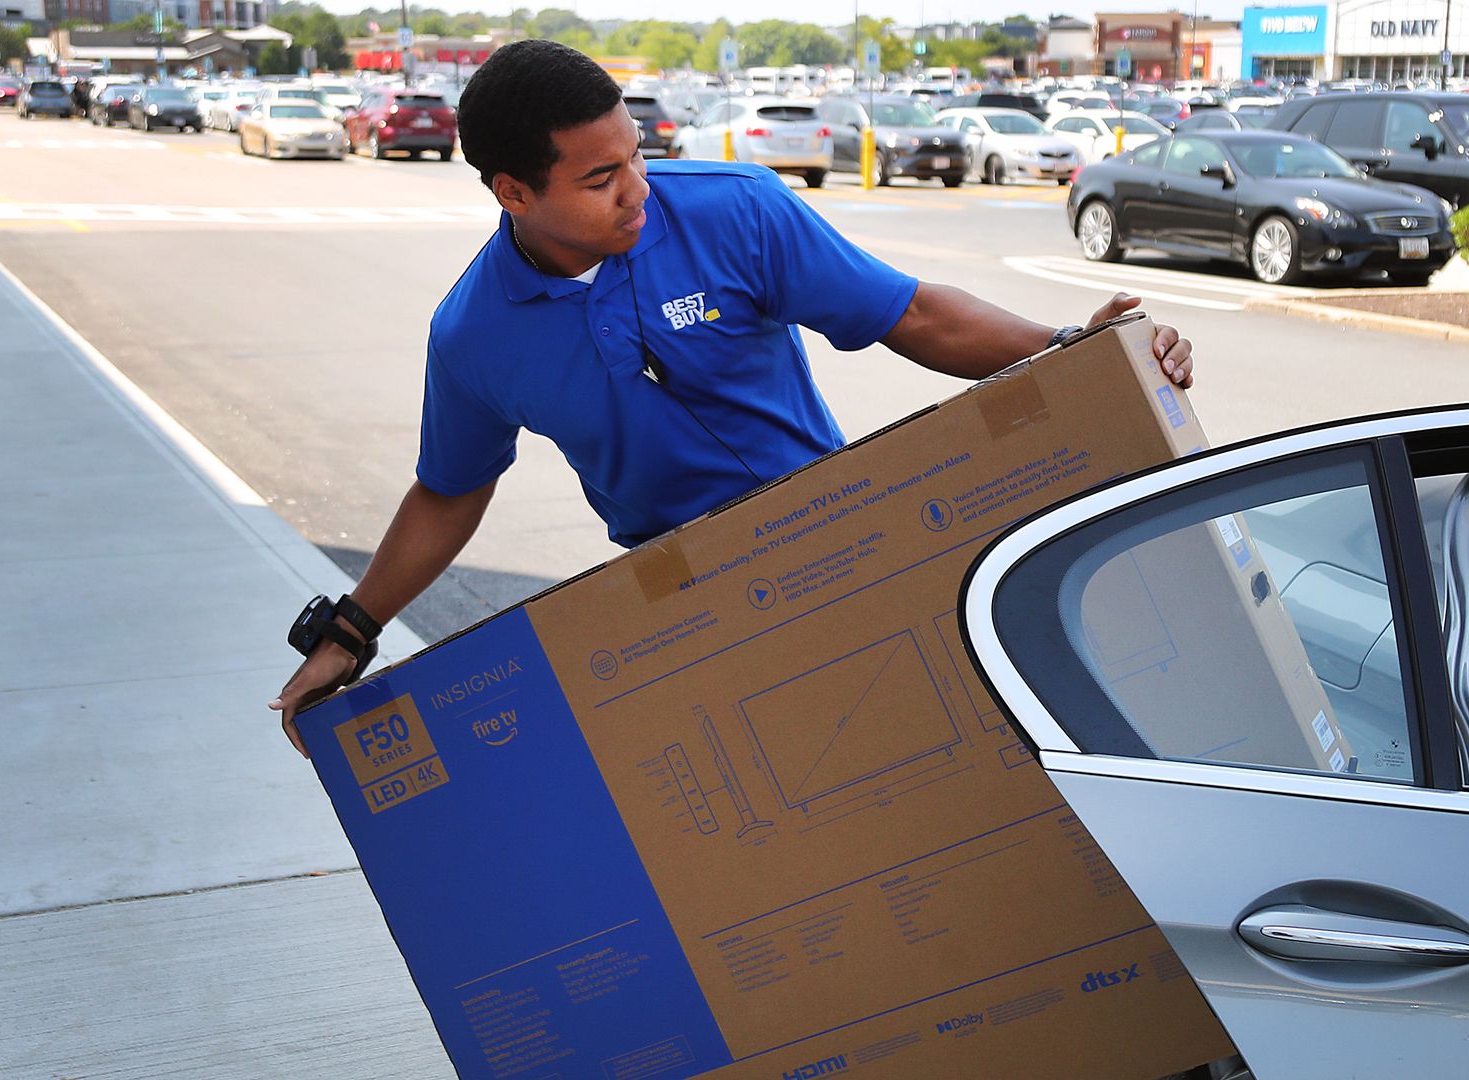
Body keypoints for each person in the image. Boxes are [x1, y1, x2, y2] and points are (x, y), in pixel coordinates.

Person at [269, 40, 1196, 751]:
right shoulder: (474, 334)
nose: (637, 190)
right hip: (679, 608)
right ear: (514, 193)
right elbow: (450, 489)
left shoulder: (735, 209)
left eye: (636, 155)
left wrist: (1071, 349)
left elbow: (909, 313)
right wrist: (353, 629)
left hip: (842, 546)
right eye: (600, 180)